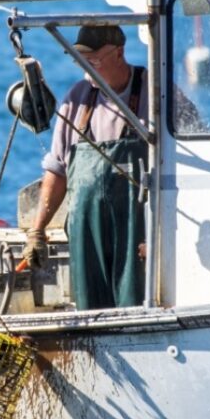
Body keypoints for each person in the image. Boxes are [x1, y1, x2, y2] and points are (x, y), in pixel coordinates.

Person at [22, 24, 149, 310]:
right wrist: (37, 231)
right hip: (86, 235)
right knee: (89, 310)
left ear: (119, 52)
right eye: (80, 61)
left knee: (135, 303)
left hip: (137, 235)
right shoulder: (76, 99)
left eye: (93, 61)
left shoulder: (156, 93)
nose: (86, 69)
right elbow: (57, 171)